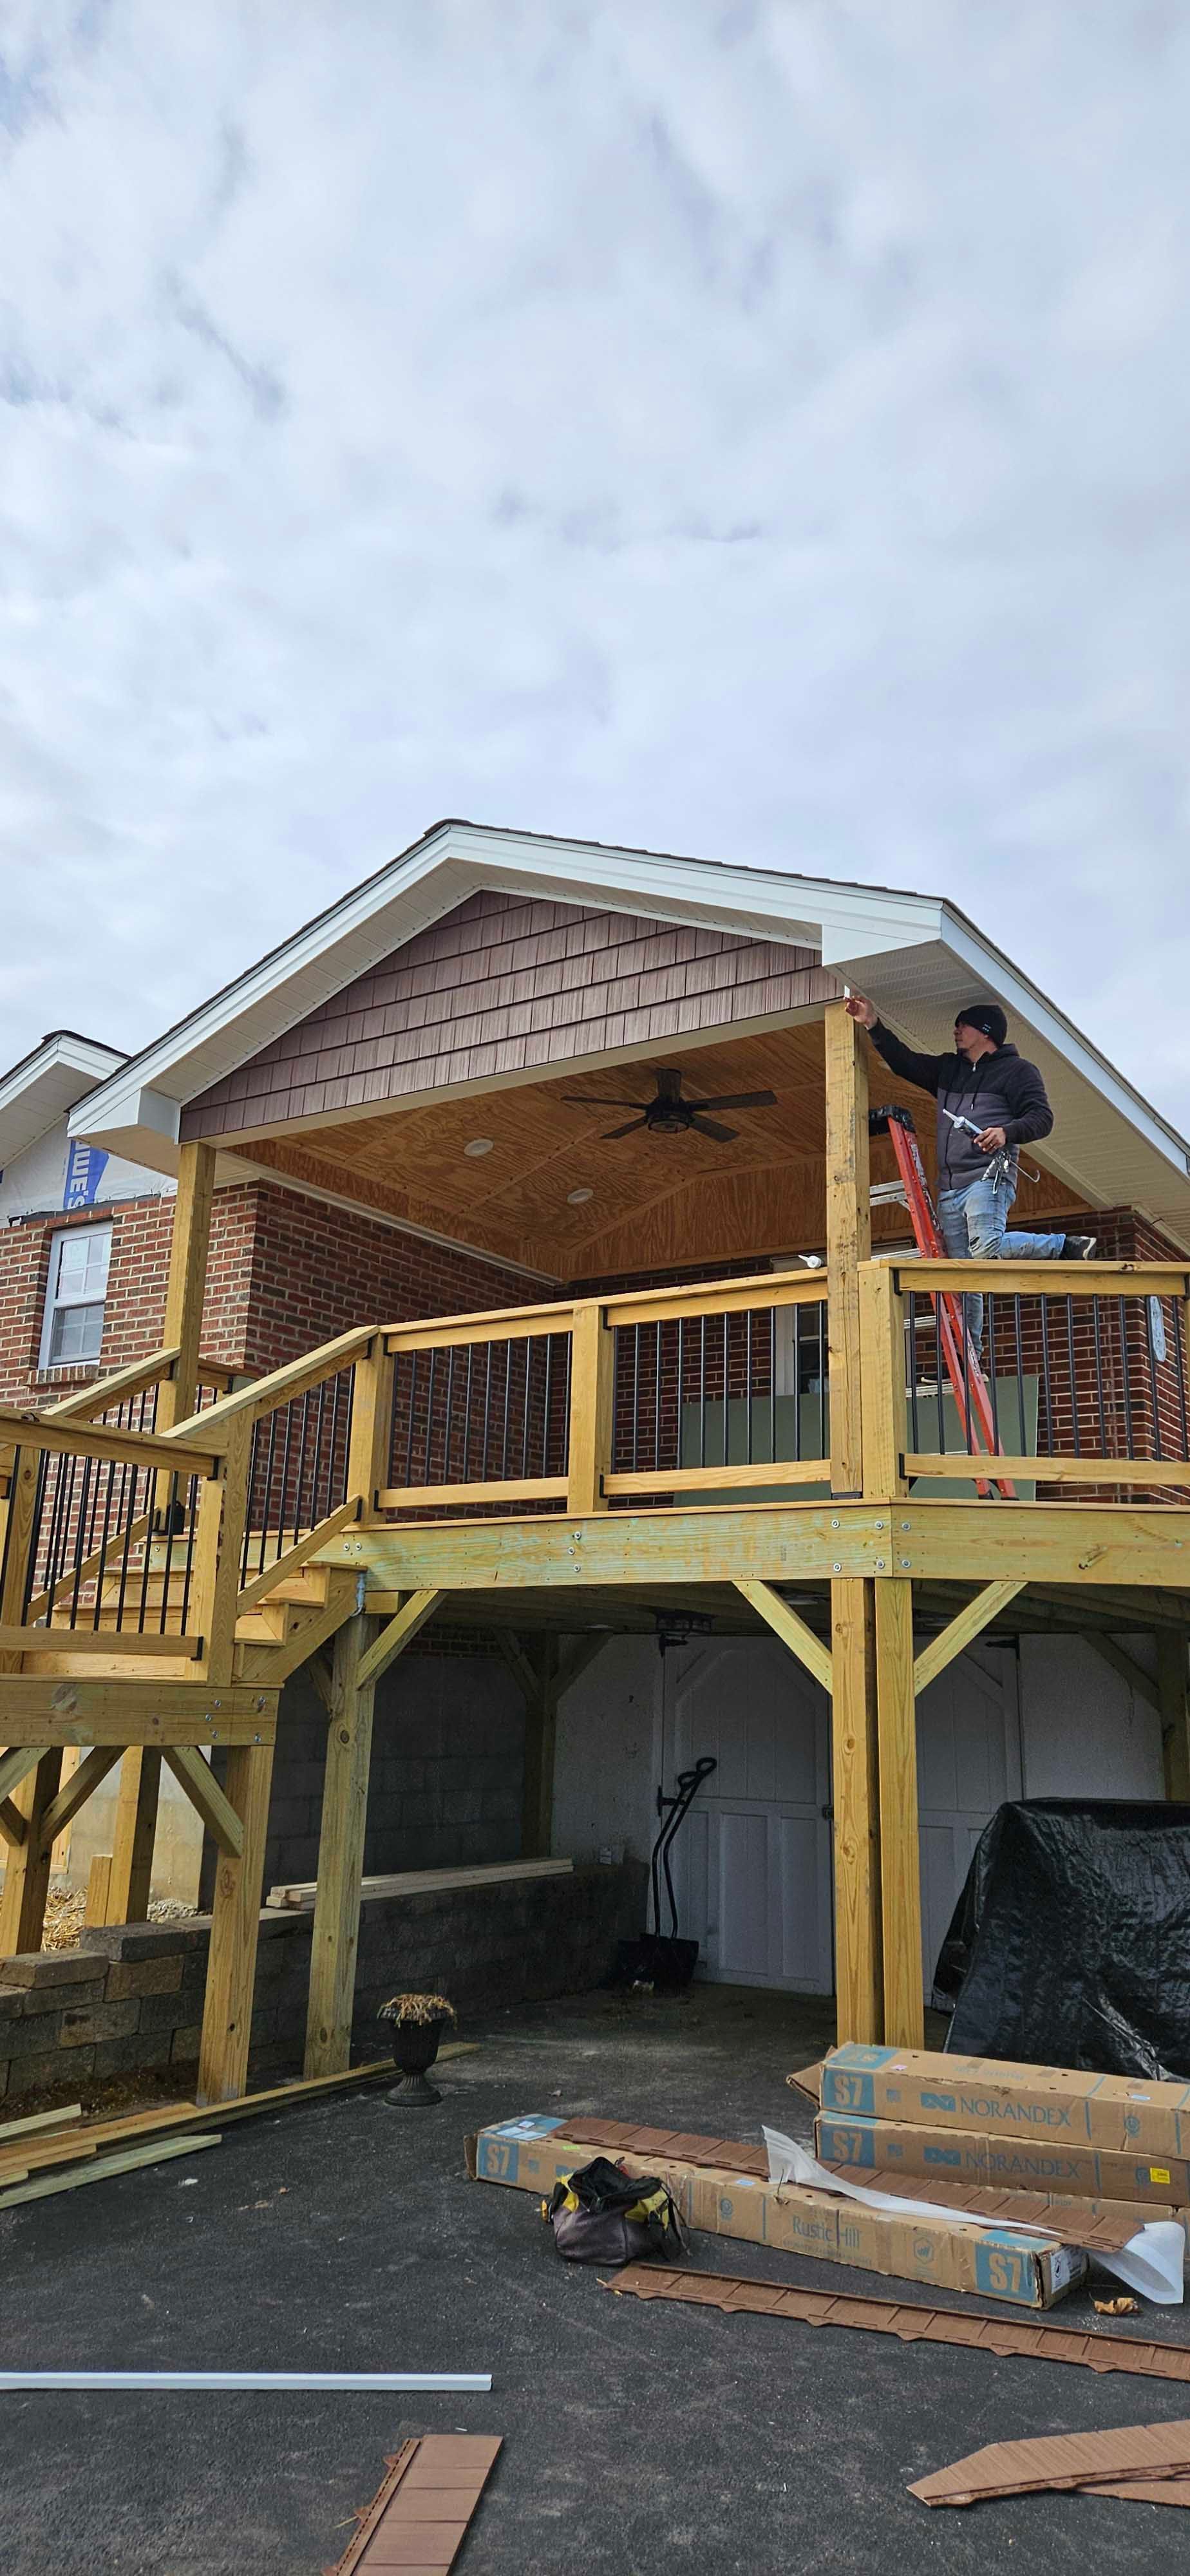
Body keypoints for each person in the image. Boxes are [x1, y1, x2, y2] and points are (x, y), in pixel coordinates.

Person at [844, 994, 1095, 1341]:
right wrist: (872, 1023)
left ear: (986, 1033)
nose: (956, 1030)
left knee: (987, 1250)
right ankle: (969, 1355)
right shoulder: (949, 1070)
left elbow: (1042, 1119)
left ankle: (1064, 1246)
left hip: (988, 1179)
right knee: (964, 1277)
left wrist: (1006, 1132)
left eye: (964, 1025)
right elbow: (905, 1063)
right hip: (950, 1188)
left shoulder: (1018, 1072)